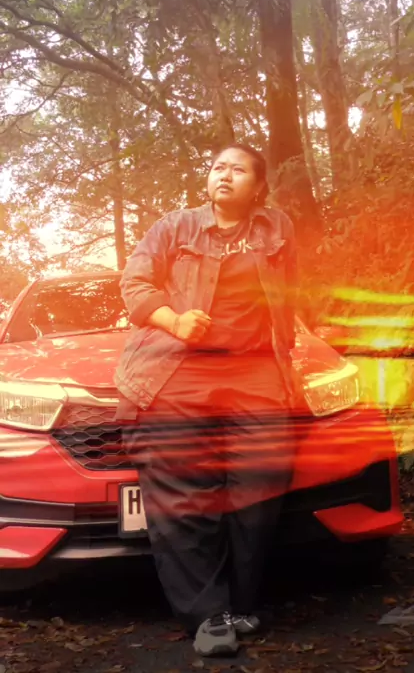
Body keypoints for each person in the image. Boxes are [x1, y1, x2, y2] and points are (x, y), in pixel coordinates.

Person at [115, 143, 298, 657]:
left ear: (258, 187)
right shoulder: (174, 228)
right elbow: (135, 283)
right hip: (179, 371)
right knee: (184, 493)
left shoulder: (277, 228)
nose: (225, 175)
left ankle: (241, 601)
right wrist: (174, 320)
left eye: (238, 170)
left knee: (260, 481)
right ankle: (208, 615)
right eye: (218, 167)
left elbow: (290, 292)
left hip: (256, 371)